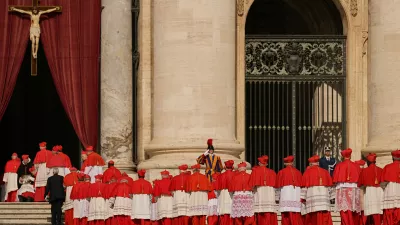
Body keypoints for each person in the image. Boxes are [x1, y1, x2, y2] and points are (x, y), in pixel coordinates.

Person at [301, 155, 334, 225]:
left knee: (314, 218)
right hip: (324, 200)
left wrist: (303, 198)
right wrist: (331, 197)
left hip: (313, 200)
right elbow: (329, 187)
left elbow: (304, 187)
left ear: (311, 164)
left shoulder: (307, 172)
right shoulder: (325, 172)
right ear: (318, 163)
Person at [332, 148, 361, 225]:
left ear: (342, 157)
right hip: (353, 190)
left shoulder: (339, 166)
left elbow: (334, 180)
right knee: (353, 211)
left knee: (344, 211)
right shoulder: (356, 166)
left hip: (343, 190)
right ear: (350, 156)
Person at [249, 156, 278, 225]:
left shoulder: (255, 171)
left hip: (260, 191)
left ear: (259, 163)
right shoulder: (272, 172)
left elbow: (251, 185)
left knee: (261, 210)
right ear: (266, 164)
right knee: (269, 210)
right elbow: (276, 185)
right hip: (269, 192)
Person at [276, 155, 303, 225]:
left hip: (286, 193)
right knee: (295, 212)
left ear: (285, 163)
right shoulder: (298, 172)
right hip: (296, 194)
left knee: (286, 214)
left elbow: (278, 186)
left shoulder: (281, 172)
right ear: (292, 163)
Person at [358, 153, 383, 225]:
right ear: (375, 161)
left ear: (368, 162)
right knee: (378, 211)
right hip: (379, 191)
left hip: (370, 191)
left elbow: (360, 183)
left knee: (371, 211)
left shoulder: (364, 170)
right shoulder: (381, 170)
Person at [381, 150, 400, 225]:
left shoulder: (387, 167)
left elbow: (382, 182)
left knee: (390, 212)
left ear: (393, 157)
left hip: (390, 191)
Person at [216, 160, 235, 225]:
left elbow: (217, 189)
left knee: (224, 211)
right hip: (232, 194)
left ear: (225, 167)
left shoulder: (221, 176)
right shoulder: (235, 174)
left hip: (223, 194)